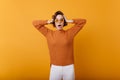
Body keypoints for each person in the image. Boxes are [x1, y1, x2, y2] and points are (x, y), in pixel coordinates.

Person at [32, 11, 86, 80]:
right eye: (56, 20)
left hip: (69, 68)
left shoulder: (70, 33)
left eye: (61, 20)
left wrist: (69, 20)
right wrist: (48, 21)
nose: (59, 22)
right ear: (54, 22)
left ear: (64, 22)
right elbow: (35, 23)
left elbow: (83, 22)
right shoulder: (49, 33)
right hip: (55, 68)